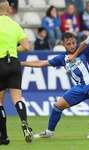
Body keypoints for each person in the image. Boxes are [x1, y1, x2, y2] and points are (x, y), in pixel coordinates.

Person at [21, 32, 89, 139]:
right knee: (57, 107)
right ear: (63, 45)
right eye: (68, 44)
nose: (72, 46)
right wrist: (20, 63)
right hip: (80, 87)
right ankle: (49, 132)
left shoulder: (83, 48)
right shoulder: (62, 59)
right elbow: (41, 63)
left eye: (73, 42)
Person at [0, 0, 32, 145]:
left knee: (0, 103)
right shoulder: (14, 24)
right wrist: (12, 49)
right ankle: (24, 121)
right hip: (14, 62)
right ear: (8, 9)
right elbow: (26, 47)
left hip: (0, 63)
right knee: (17, 99)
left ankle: (4, 137)